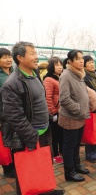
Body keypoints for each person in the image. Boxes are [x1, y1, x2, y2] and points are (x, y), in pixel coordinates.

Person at [1, 41, 65, 195]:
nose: (36, 57)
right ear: (20, 58)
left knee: (43, 165)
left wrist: (48, 119)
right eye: (32, 54)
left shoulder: (34, 75)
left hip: (44, 131)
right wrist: (31, 136)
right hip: (29, 136)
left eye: (36, 53)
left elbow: (40, 101)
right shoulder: (12, 83)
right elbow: (13, 116)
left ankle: (45, 190)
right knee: (27, 173)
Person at [59, 50, 90, 182]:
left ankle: (76, 166)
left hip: (80, 116)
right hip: (70, 117)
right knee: (69, 145)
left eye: (82, 58)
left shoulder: (79, 74)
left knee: (77, 143)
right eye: (77, 59)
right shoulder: (66, 75)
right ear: (70, 61)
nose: (81, 61)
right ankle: (69, 171)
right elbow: (64, 99)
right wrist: (78, 108)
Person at [44, 57, 64, 164]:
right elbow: (48, 98)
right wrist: (52, 113)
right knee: (55, 135)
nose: (60, 67)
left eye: (61, 64)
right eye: (57, 65)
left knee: (61, 133)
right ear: (51, 66)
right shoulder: (48, 79)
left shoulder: (60, 78)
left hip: (63, 111)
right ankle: (55, 155)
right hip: (55, 112)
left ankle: (61, 152)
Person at [0, 48, 16, 178]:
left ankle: (11, 168)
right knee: (6, 143)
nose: (8, 59)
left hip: (14, 115)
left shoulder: (13, 73)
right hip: (4, 116)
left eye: (9, 56)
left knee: (12, 141)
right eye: (4, 57)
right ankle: (9, 170)